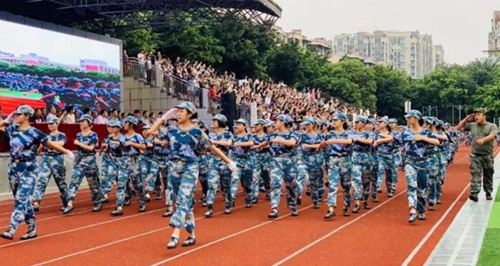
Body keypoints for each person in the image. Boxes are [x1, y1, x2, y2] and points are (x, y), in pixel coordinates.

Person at [145, 102, 236, 249]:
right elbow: (150, 131)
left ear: (190, 114)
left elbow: (212, 148)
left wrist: (229, 162)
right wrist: (165, 117)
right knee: (186, 203)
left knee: (182, 200)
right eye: (178, 111)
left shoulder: (197, 132)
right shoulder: (172, 130)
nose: (178, 114)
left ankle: (175, 233)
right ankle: (192, 235)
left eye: (182, 111)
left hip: (190, 167)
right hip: (174, 168)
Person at [0, 105, 74, 240]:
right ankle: (32, 228)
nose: (16, 116)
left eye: (19, 114)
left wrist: (66, 151)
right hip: (14, 168)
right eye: (15, 114)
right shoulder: (12, 129)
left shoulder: (35, 132)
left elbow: (50, 143)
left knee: (22, 198)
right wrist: (6, 121)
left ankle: (12, 228)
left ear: (27, 116)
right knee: (22, 199)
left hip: (29, 168)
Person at [457, 108, 498, 201]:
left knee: (488, 174)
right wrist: (466, 118)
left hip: (487, 155)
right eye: (475, 115)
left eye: (479, 114)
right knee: (475, 174)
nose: (476, 116)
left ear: (484, 115)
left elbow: (492, 135)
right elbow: (459, 127)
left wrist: (483, 140)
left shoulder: (492, 125)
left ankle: (488, 192)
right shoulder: (472, 125)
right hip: (475, 155)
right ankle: (474, 193)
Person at [33, 117, 69, 212]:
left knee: (61, 182)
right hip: (46, 159)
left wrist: (48, 143)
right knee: (41, 180)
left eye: (52, 123)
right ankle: (36, 202)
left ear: (57, 124)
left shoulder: (61, 135)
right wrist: (38, 150)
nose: (50, 125)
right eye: (48, 124)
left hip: (57, 159)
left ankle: (66, 202)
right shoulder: (46, 135)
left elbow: (61, 144)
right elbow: (41, 146)